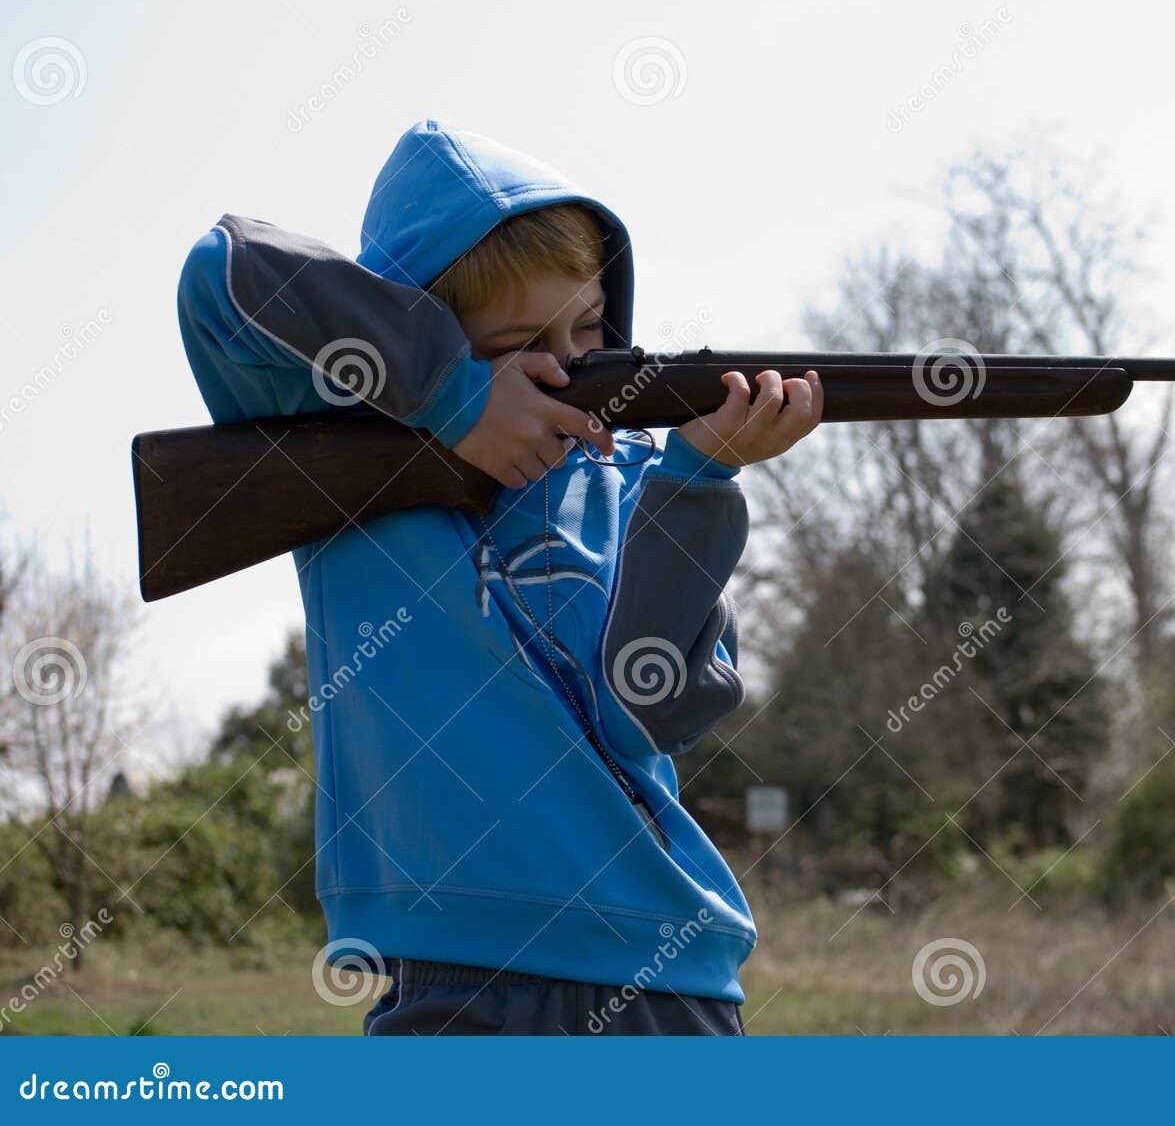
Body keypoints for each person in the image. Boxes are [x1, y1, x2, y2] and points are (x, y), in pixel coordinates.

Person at [175, 119, 823, 1034]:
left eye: (591, 327)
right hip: (444, 983)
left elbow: (654, 709)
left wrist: (698, 482)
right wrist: (455, 397)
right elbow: (222, 272)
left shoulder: (642, 478)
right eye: (519, 342)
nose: (568, 362)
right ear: (417, 327)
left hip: (669, 983)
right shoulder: (335, 448)